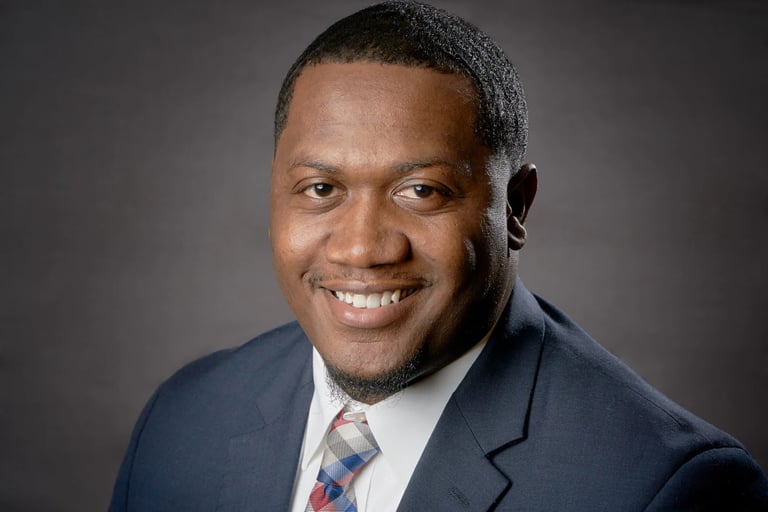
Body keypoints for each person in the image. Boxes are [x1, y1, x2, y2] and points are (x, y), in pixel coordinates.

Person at [109, 1, 768, 510]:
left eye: (422, 191)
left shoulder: (663, 487)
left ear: (515, 207)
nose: (362, 247)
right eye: (321, 189)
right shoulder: (184, 419)